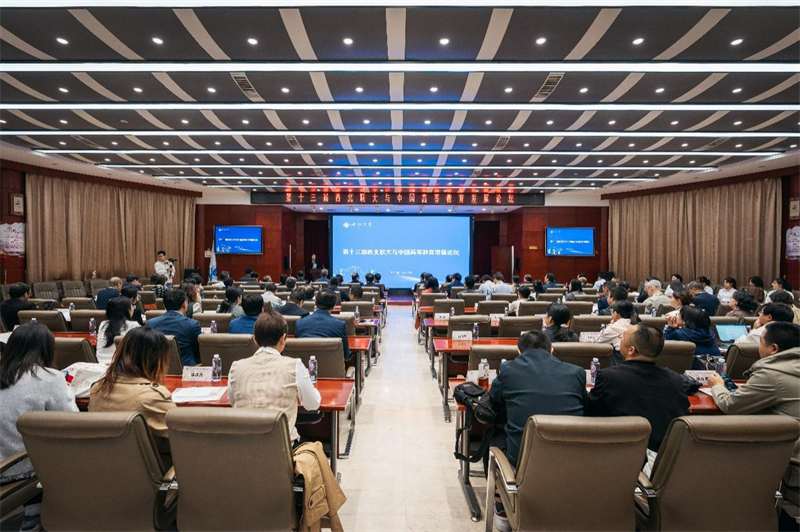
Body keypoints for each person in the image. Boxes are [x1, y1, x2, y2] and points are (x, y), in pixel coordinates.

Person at [488, 330, 586, 531]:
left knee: (494, 437)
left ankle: (501, 509)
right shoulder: (576, 372)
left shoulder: (508, 369)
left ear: (518, 351)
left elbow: (494, 400)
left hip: (523, 460)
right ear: (552, 350)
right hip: (572, 458)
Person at [0, 324, 78, 532]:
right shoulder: (49, 378)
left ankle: (34, 512)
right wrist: (68, 392)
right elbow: (73, 423)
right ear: (46, 349)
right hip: (17, 469)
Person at [586, 323, 689, 460]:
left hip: (623, 455)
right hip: (668, 458)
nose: (621, 339)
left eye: (623, 337)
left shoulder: (609, 377)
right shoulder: (675, 379)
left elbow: (590, 413)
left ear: (631, 350)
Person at [707, 322, 800, 456]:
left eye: (760, 342)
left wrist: (717, 385)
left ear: (774, 348)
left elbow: (730, 405)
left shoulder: (771, 374)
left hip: (785, 456)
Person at [228, 311, 321, 443]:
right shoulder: (294, 365)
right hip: (282, 447)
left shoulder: (236, 367)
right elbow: (313, 404)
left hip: (244, 446)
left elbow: (234, 404)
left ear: (254, 339)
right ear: (283, 338)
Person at [90, 327, 175, 459]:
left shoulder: (97, 388)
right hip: (149, 468)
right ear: (156, 359)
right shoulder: (152, 397)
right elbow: (182, 438)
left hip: (103, 464)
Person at [145, 290, 201, 367]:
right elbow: (198, 350)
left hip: (157, 367)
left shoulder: (150, 323)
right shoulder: (193, 324)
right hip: (186, 368)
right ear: (184, 304)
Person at [295, 290, 351, 363]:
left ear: (315, 302)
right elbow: (346, 355)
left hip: (304, 368)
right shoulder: (340, 325)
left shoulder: (299, 323)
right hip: (332, 368)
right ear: (333, 306)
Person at [96, 296, 140, 365]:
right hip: (120, 366)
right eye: (132, 307)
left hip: (99, 363)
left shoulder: (103, 324)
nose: (133, 309)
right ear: (127, 310)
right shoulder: (134, 325)